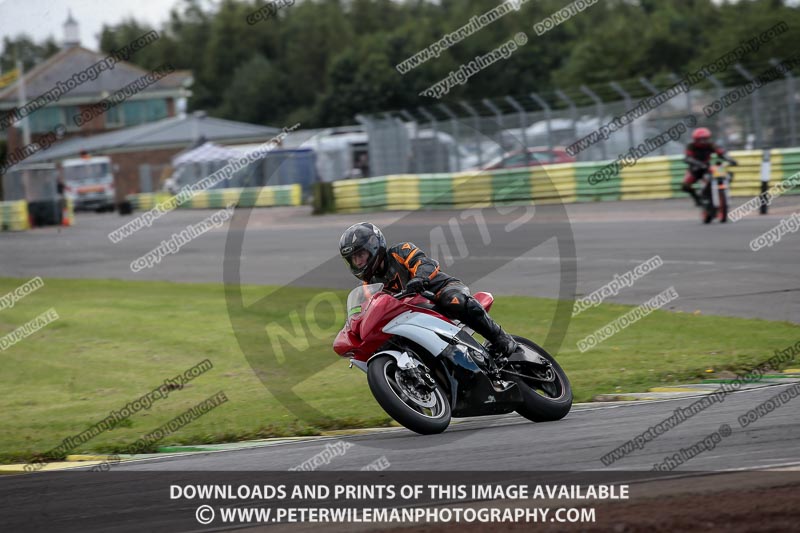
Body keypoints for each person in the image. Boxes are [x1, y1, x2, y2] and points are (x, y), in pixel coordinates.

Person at [339, 222, 519, 364]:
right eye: (353, 259)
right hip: (410, 314)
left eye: (360, 255)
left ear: (373, 246)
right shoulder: (367, 284)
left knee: (454, 300)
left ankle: (501, 339)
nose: (358, 262)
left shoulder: (400, 251)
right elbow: (370, 309)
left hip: (437, 291)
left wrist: (419, 278)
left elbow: (425, 263)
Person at [682, 127, 737, 206]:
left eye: (705, 139)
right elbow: (687, 158)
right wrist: (698, 164)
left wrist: (730, 160)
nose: (703, 141)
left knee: (727, 174)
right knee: (685, 186)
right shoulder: (691, 146)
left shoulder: (711, 145)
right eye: (701, 139)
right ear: (696, 139)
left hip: (707, 168)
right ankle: (697, 198)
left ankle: (723, 192)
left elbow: (721, 153)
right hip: (694, 168)